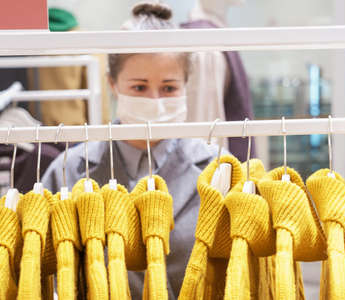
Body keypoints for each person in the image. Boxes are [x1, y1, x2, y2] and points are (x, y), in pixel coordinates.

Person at [42, 2, 220, 298]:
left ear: (186, 85)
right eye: (139, 87)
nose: (155, 99)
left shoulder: (217, 171)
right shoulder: (69, 170)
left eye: (168, 88)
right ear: (113, 84)